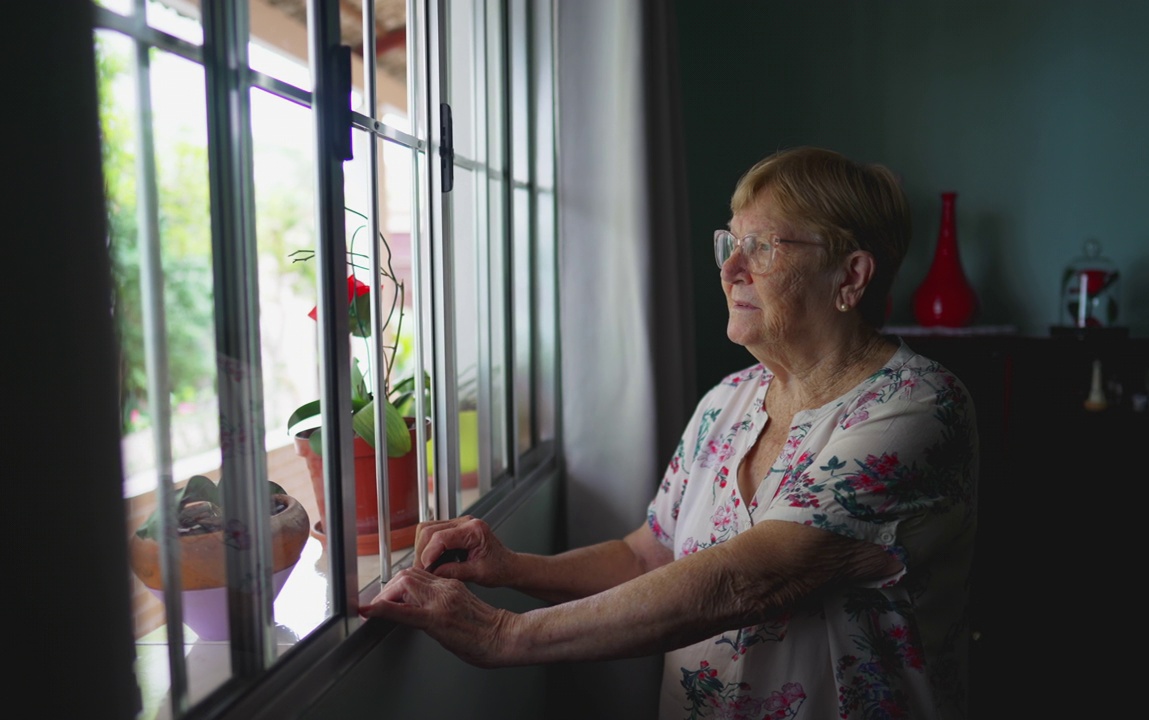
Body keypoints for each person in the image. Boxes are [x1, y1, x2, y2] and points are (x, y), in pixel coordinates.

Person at [360, 146, 980, 719]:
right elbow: (648, 554)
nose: (732, 268)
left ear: (850, 276)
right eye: (729, 243)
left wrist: (502, 635)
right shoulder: (728, 401)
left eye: (762, 246)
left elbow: (747, 579)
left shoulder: (916, 408)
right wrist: (514, 567)